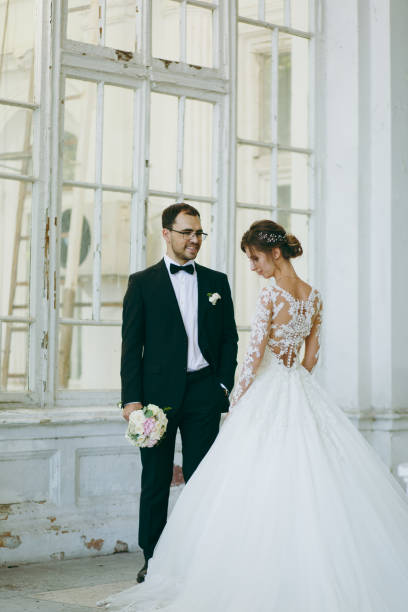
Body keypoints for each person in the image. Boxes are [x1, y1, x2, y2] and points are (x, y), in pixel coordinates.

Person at [100, 219, 408, 611]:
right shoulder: (314, 297)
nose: (252, 266)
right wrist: (291, 380)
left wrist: (237, 401)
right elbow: (311, 357)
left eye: (255, 258)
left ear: (274, 253)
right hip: (299, 389)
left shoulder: (269, 296)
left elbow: (251, 356)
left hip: (260, 393)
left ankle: (218, 567)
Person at [120, 202, 238, 583]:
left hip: (204, 391)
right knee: (155, 479)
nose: (194, 240)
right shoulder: (142, 283)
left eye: (199, 233)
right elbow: (130, 346)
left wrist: (222, 385)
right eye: (187, 232)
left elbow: (229, 340)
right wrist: (132, 400)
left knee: (203, 478)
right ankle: (152, 559)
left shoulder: (217, 281)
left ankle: (200, 557)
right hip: (156, 398)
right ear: (166, 233)